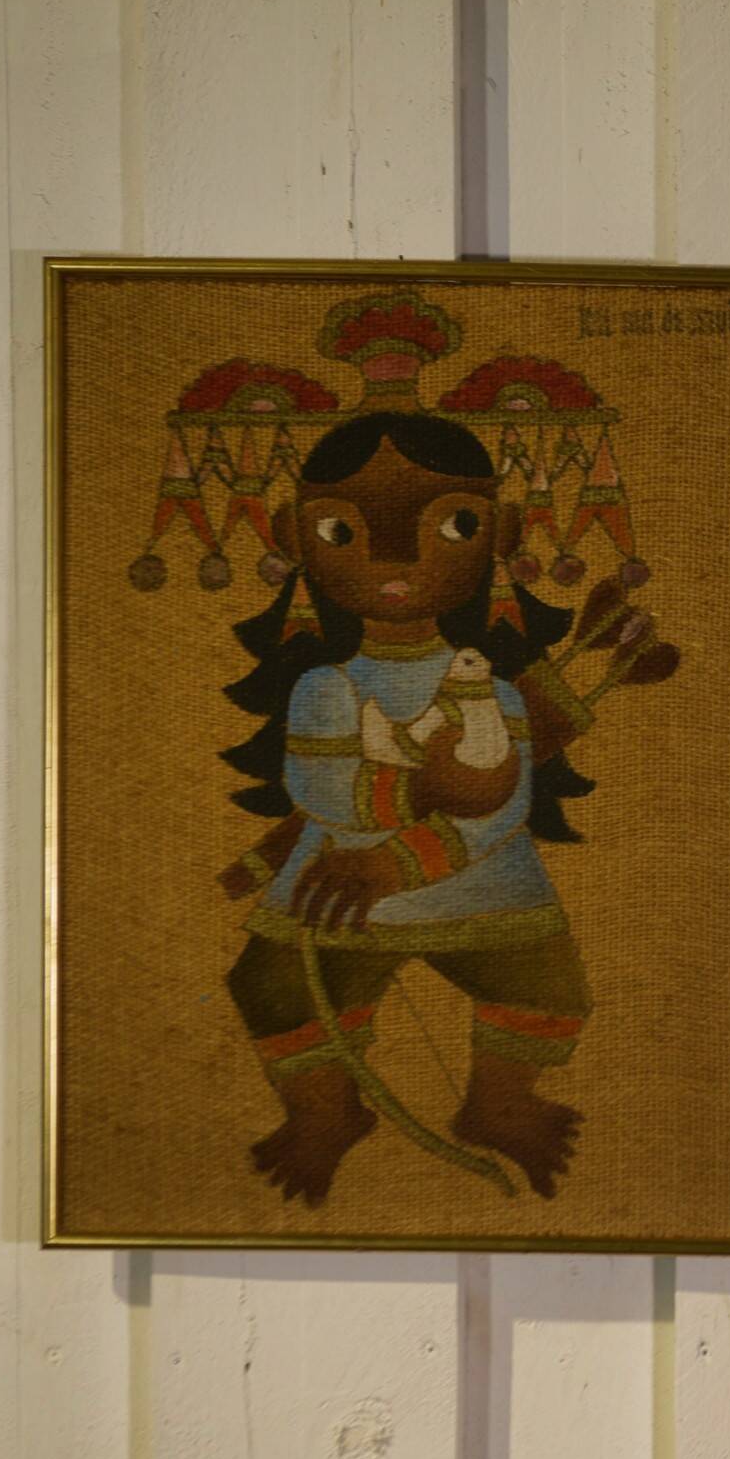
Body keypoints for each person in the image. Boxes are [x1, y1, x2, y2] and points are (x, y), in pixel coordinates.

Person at [216, 412, 594, 1206]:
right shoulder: (326, 688)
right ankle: (329, 1111)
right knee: (273, 987)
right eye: (342, 530)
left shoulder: (490, 691)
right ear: (295, 536)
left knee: (548, 983)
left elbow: (503, 805)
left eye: (451, 525)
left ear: (499, 532)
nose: (393, 559)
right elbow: (320, 790)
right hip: (332, 890)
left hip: (481, 892)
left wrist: (398, 857)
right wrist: (426, 790)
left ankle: (498, 1103)